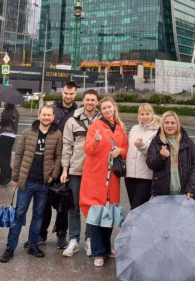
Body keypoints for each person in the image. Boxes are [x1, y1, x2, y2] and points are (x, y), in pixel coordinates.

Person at [0, 104, 62, 263]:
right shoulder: (28, 132)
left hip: (44, 183)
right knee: (19, 214)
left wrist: (53, 175)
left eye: (49, 115)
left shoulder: (57, 134)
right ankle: (10, 247)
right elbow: (18, 155)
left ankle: (33, 245)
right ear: (39, 116)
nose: (46, 117)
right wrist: (15, 177)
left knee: (38, 215)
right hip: (27, 181)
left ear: (53, 117)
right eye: (44, 114)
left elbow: (58, 157)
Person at [79, 96, 128, 267]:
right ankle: (98, 252)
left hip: (112, 178)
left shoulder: (121, 128)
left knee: (109, 212)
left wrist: (120, 151)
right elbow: (87, 149)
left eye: (109, 107)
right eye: (104, 108)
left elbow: (126, 148)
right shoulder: (96, 125)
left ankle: (106, 248)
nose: (107, 110)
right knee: (95, 213)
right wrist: (96, 142)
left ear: (114, 108)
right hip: (96, 175)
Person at [60, 89, 101, 258]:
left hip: (95, 172)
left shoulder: (102, 120)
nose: (90, 102)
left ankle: (89, 239)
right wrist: (65, 169)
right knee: (74, 207)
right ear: (83, 101)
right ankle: (74, 240)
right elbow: (67, 146)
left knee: (92, 208)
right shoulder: (72, 120)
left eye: (93, 100)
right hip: (76, 170)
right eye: (87, 99)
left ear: (96, 102)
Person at [38, 81, 78, 249]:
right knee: (44, 200)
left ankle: (61, 233)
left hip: (66, 162)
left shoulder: (77, 112)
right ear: (62, 93)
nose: (68, 96)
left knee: (63, 200)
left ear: (75, 94)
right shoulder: (53, 108)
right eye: (66, 93)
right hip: (48, 160)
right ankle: (42, 233)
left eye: (71, 94)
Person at [146, 110, 195, 203]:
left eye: (173, 123)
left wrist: (192, 188)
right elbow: (150, 164)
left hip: (184, 193)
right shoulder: (156, 141)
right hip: (162, 193)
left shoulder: (186, 141)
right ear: (162, 124)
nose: (169, 125)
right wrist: (161, 157)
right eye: (166, 123)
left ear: (178, 124)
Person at [125, 103, 160, 209]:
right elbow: (127, 148)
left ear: (152, 114)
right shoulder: (134, 129)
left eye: (147, 114)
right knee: (135, 209)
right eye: (142, 114)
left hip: (146, 176)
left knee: (136, 208)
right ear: (138, 115)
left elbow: (154, 152)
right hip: (130, 175)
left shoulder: (157, 131)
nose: (145, 117)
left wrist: (141, 146)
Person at [0, 103, 19, 185]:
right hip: (11, 135)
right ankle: (3, 179)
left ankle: (8, 172)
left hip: (6, 135)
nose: (4, 102)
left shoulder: (9, 109)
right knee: (6, 158)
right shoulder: (13, 109)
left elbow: (2, 122)